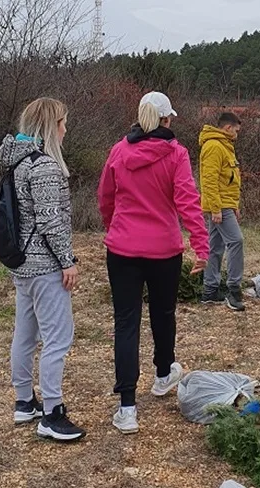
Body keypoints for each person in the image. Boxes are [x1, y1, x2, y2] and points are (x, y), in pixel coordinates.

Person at [98, 91, 209, 435]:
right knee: (163, 313)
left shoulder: (119, 150)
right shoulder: (176, 154)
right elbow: (188, 201)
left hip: (122, 249)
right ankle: (163, 374)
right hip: (164, 249)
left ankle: (127, 407)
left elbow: (105, 197)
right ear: (165, 119)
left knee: (126, 323)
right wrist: (201, 245)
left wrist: (114, 226)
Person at [0, 97, 85, 441]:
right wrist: (67, 261)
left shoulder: (17, 162)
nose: (66, 129)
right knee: (57, 340)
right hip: (45, 266)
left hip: (22, 265)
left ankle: (24, 401)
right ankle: (52, 413)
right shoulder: (45, 166)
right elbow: (51, 222)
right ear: (51, 126)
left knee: (25, 334)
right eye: (63, 122)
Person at [198, 112, 245, 311]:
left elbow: (228, 180)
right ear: (228, 128)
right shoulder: (214, 147)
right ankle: (233, 291)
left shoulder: (224, 146)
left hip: (225, 204)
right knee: (236, 241)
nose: (237, 134)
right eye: (236, 130)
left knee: (215, 246)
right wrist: (216, 208)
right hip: (219, 206)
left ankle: (210, 291)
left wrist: (234, 205)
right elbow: (209, 180)